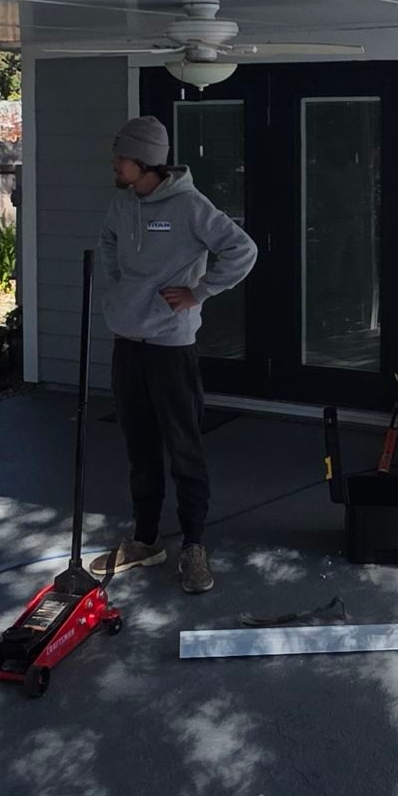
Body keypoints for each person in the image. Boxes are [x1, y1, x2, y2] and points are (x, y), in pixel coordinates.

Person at [95, 113, 258, 593]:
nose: (114, 165)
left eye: (120, 158)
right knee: (138, 446)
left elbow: (242, 250)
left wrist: (199, 292)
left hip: (171, 347)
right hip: (129, 343)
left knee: (184, 449)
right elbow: (107, 243)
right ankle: (147, 541)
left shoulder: (189, 206)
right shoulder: (122, 202)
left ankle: (193, 547)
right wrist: (119, 290)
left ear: (143, 161)